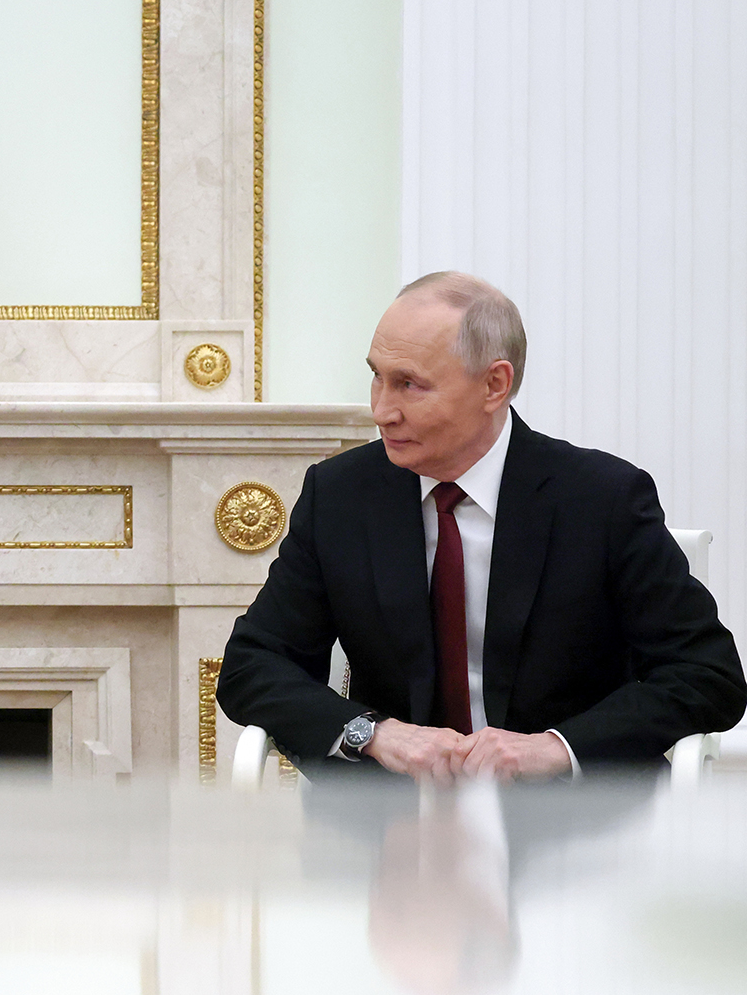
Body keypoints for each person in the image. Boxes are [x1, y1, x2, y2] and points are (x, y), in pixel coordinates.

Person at [218, 272, 743, 782]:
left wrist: (555, 748)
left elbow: (706, 675)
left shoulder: (602, 499)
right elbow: (252, 665)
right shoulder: (341, 495)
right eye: (377, 375)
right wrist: (374, 734)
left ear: (495, 385)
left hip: (572, 814)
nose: (381, 411)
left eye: (409, 384)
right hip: (391, 813)